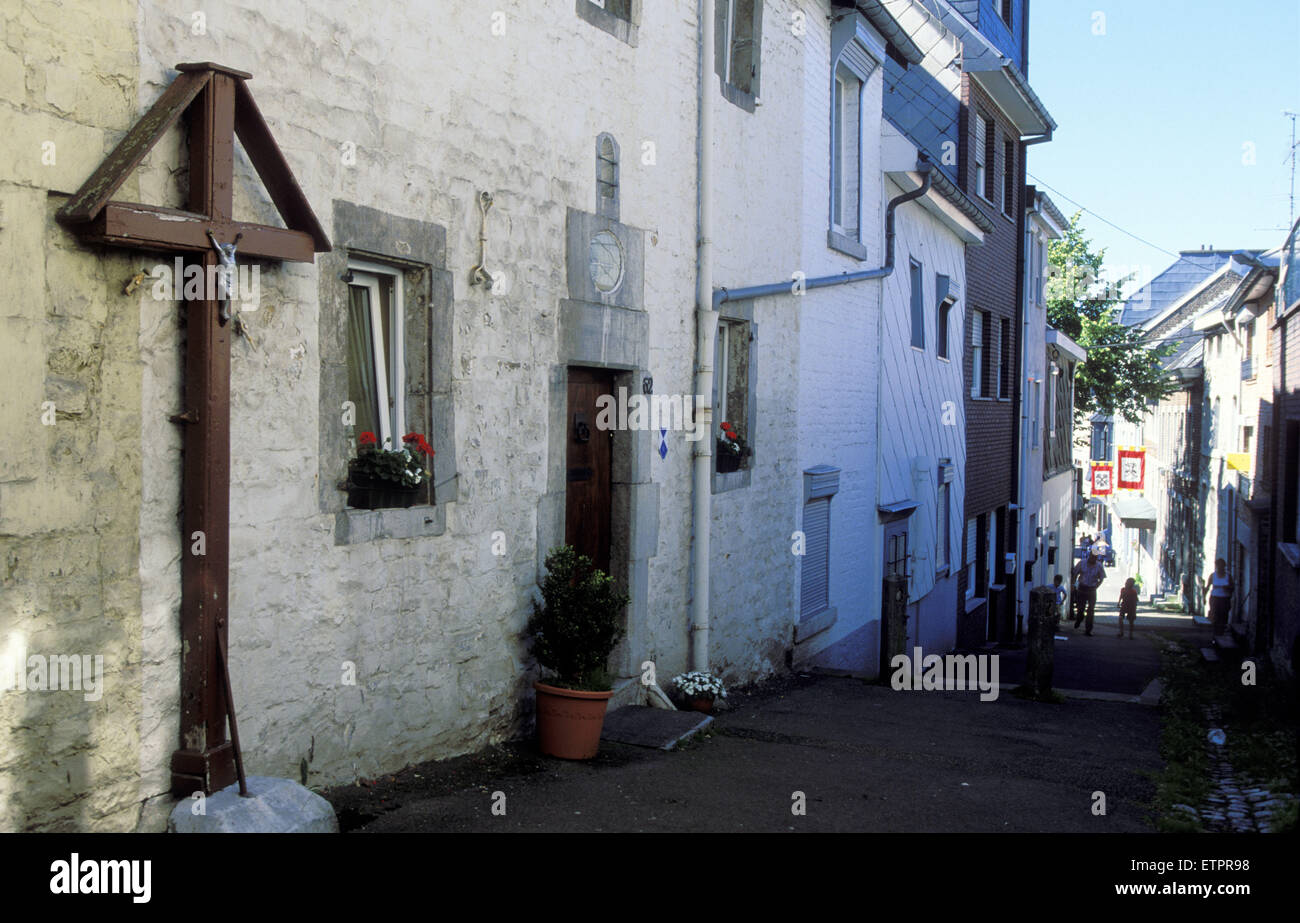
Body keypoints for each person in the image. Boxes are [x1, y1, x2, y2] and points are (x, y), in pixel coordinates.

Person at [1072, 547, 1107, 635]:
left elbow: (1102, 578)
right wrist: (1073, 585)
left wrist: (1097, 586)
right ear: (1089, 556)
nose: (1094, 559)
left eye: (1095, 557)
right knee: (1080, 609)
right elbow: (1075, 574)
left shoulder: (1099, 565)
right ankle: (1079, 619)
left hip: (1092, 590)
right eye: (1092, 557)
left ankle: (1088, 630)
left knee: (1091, 610)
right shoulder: (1082, 563)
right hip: (1082, 588)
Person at [1202, 558, 1234, 637]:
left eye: (1221, 566)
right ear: (1216, 566)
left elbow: (1233, 588)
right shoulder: (1213, 576)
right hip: (1215, 599)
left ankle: (1221, 634)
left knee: (1223, 617)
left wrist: (1227, 588)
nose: (1220, 568)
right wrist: (1204, 598)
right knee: (1215, 617)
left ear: (1224, 566)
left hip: (1225, 599)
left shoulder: (1228, 576)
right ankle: (1215, 635)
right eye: (1218, 566)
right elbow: (1207, 587)